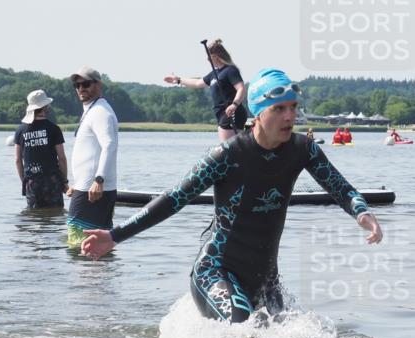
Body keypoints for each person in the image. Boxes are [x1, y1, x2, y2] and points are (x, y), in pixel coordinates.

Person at [81, 69, 383, 323]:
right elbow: (174, 198)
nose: (290, 116)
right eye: (279, 109)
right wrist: (115, 235)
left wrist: (362, 213)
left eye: (293, 107)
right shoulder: (227, 155)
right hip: (216, 272)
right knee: (247, 333)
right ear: (257, 113)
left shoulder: (303, 149)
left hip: (265, 280)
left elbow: (339, 186)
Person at [66, 66, 119, 246]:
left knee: (78, 243)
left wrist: (99, 180)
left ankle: (83, 274)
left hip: (93, 191)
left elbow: (109, 145)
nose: (81, 88)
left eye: (86, 84)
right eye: (77, 85)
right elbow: (91, 152)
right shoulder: (93, 109)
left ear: (98, 84)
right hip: (88, 187)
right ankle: (102, 274)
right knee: (97, 245)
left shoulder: (100, 112)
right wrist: (78, 183)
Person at [164, 39, 247, 141]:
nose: (207, 60)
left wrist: (234, 104)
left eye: (209, 57)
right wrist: (178, 80)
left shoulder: (230, 70)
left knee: (230, 149)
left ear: (216, 56)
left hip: (232, 113)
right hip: (221, 114)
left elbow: (241, 88)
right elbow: (197, 83)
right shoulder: (214, 74)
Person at [14, 89, 68, 209]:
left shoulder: (20, 130)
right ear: (45, 107)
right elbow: (62, 158)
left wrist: (25, 181)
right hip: (53, 180)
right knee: (55, 217)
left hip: (32, 181)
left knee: (33, 218)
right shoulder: (54, 129)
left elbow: (18, 160)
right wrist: (64, 182)